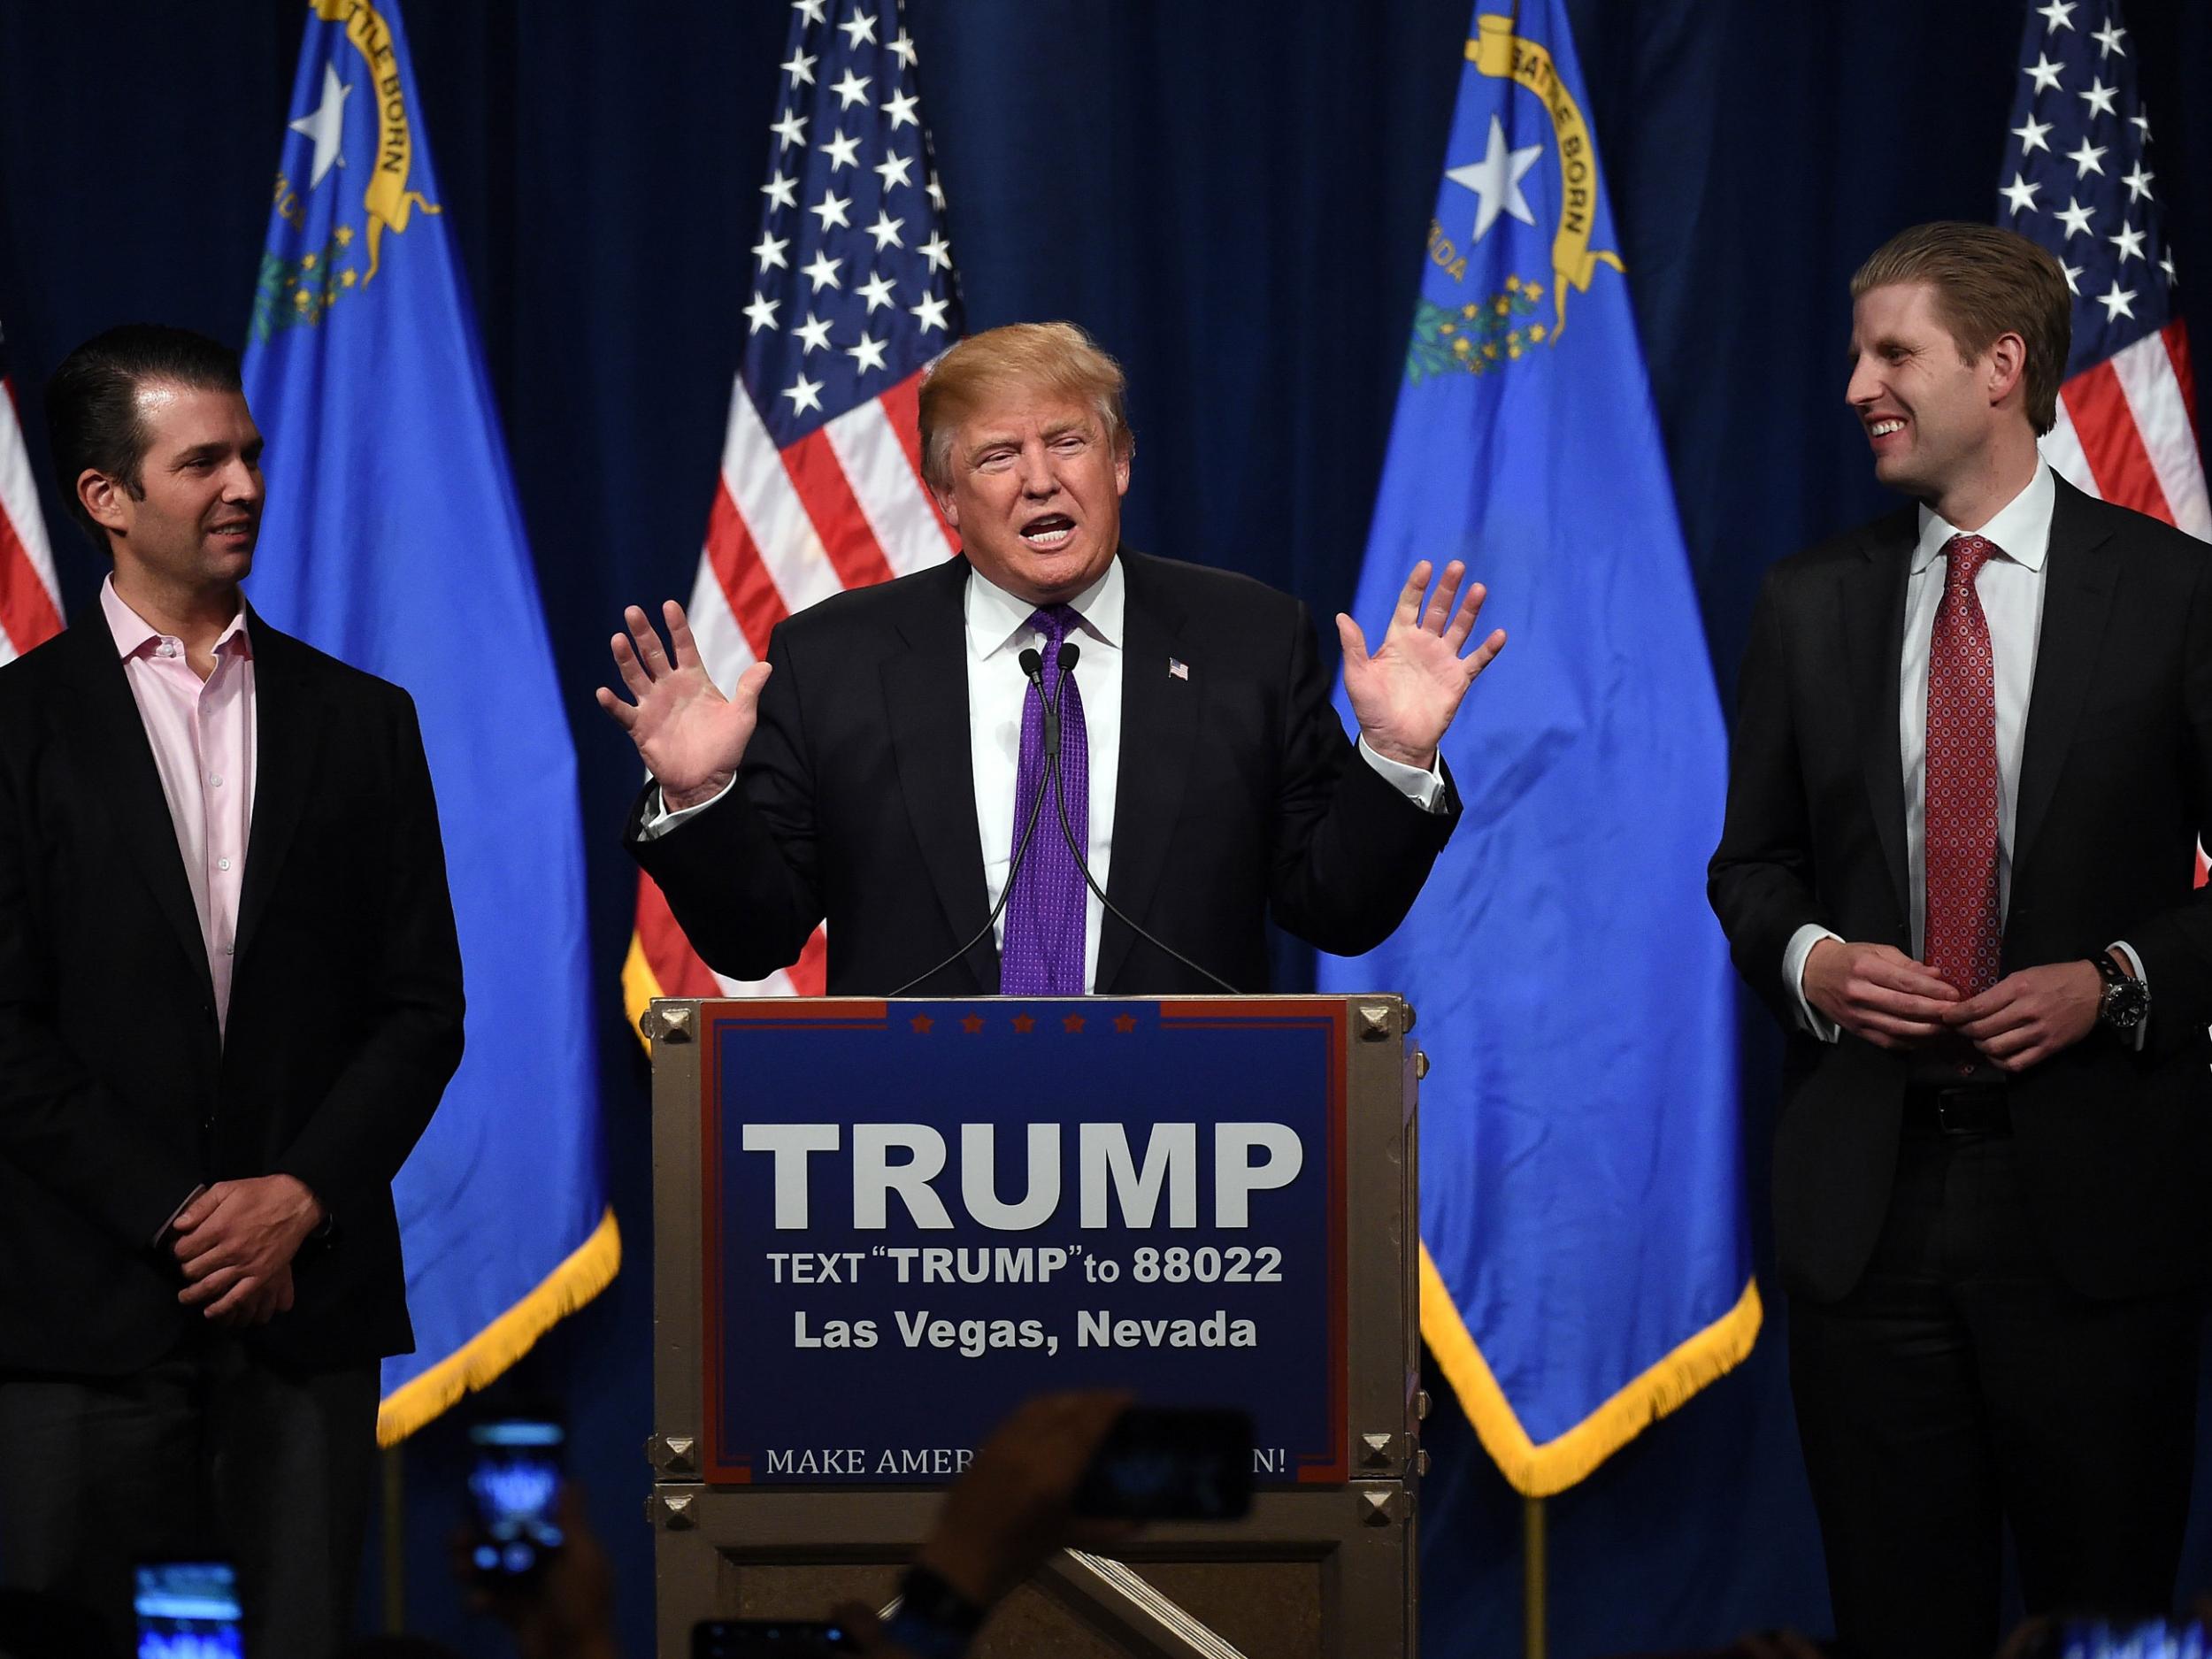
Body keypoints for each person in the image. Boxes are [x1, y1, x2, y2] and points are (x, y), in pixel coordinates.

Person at [1709, 223, 2211, 1657]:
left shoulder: (2176, 597)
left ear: (2002, 368)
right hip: (1870, 1217)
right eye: (1857, 354)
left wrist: (2116, 982)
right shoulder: (1810, 606)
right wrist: (1812, 962)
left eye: (1892, 353)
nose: (1857, 385)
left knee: (2097, 1621)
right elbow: (1751, 869)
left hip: (2100, 1214)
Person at [0, 326, 465, 1658]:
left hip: (302, 1314)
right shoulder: (13, 733)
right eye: (201, 460)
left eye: (249, 453)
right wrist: (179, 1217)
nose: (244, 483)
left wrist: (297, 1197)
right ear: (106, 498)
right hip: (78, 1320)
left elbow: (422, 1007)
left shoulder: (364, 720)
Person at [603, 320, 1505, 995]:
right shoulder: (834, 659)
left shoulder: (1247, 641)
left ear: (1118, 464)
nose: (1040, 479)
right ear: (947, 496)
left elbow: (1336, 912)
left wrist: (1394, 759)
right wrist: (699, 801)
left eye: (1068, 442)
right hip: (910, 1142)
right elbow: (753, 938)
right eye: (999, 455)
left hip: (1189, 1145)